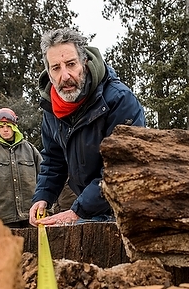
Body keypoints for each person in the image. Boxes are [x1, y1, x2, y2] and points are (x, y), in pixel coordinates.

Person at [29, 28, 145, 227]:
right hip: (87, 210)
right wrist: (43, 196)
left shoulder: (119, 100)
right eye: (56, 68)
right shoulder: (52, 109)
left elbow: (121, 167)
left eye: (71, 64)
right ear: (48, 73)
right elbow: (53, 159)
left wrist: (79, 210)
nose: (65, 75)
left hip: (124, 210)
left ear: (85, 62)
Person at [0, 108, 42, 228]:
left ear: (15, 127)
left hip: (32, 217)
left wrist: (47, 208)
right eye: (1, 126)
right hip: (3, 221)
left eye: (9, 126)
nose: (5, 130)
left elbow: (45, 179)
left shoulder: (30, 150)